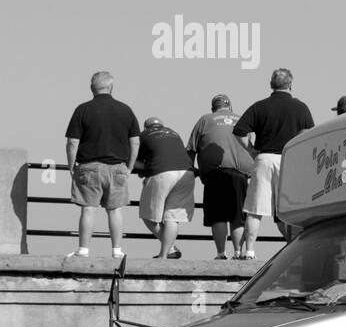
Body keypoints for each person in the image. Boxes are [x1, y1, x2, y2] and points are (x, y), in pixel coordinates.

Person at [233, 68, 314, 260]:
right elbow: (308, 134)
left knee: (255, 209)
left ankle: (250, 251)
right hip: (289, 160)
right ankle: (294, 250)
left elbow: (239, 131)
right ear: (290, 84)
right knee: (289, 208)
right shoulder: (301, 107)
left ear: (271, 84)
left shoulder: (260, 106)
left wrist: (251, 150)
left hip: (264, 158)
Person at [64, 71, 140, 259]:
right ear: (111, 87)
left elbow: (72, 142)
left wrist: (71, 166)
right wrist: (129, 167)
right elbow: (135, 142)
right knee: (114, 210)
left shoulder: (82, 109)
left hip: (88, 167)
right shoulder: (126, 110)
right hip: (118, 168)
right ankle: (117, 251)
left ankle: (83, 250)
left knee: (88, 209)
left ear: (92, 88)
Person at [188, 95, 255, 259]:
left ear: (213, 108)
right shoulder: (241, 119)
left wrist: (192, 170)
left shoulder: (205, 119)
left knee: (218, 217)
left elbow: (190, 150)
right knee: (237, 217)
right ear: (230, 107)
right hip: (240, 175)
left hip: (214, 175)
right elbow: (251, 147)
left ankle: (221, 254)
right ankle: (238, 253)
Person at [135, 117, 195, 259]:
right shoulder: (174, 133)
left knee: (148, 215)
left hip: (162, 173)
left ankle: (170, 249)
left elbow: (134, 160)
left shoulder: (143, 136)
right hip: (187, 173)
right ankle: (165, 254)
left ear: (146, 127)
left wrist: (143, 169)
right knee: (172, 218)